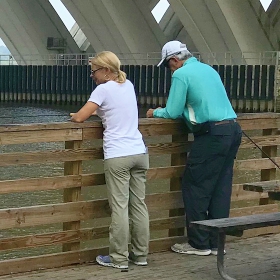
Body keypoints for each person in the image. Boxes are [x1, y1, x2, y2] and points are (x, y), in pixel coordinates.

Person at [146, 41, 242, 256]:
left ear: (174, 60)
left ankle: (199, 244)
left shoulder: (181, 74)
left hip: (211, 134)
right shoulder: (208, 69)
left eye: (167, 66)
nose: (169, 70)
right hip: (233, 130)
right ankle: (217, 243)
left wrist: (155, 112)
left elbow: (172, 110)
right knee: (220, 188)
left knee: (195, 186)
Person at [71, 51, 149, 269]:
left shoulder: (102, 89)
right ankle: (141, 255)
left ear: (106, 71)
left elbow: (79, 117)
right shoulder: (129, 85)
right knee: (139, 206)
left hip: (118, 155)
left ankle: (119, 259)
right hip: (139, 153)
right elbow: (117, 111)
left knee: (120, 208)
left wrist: (76, 116)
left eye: (94, 71)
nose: (92, 76)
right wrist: (101, 113)